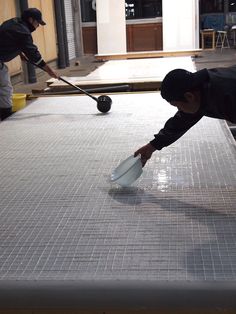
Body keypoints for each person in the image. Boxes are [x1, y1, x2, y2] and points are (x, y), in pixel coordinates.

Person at [134, 66, 236, 166]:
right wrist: (152, 146)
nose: (179, 110)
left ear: (189, 96)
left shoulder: (227, 97)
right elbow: (181, 121)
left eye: (177, 106)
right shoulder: (200, 89)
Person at [0, 8, 58, 121]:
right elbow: (34, 55)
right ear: (31, 20)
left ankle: (4, 111)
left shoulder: (13, 22)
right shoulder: (23, 32)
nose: (38, 26)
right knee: (5, 86)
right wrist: (50, 71)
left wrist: (20, 52)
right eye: (38, 23)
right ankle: (5, 113)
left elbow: (8, 39)